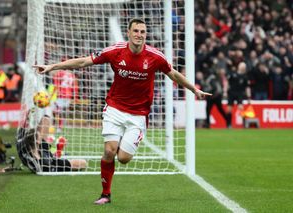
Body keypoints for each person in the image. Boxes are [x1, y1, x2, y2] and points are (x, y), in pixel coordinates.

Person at [33, 18, 212, 205]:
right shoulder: (115, 51)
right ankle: (105, 194)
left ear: (146, 34)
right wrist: (52, 67)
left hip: (138, 114)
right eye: (136, 31)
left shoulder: (155, 56)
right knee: (109, 152)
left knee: (124, 158)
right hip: (115, 109)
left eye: (142, 32)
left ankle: (121, 143)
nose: (139, 35)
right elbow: (83, 62)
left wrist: (194, 90)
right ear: (129, 33)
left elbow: (173, 74)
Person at [16, 113, 87, 173]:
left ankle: (58, 152)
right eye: (39, 136)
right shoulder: (45, 163)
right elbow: (50, 164)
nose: (41, 135)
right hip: (53, 163)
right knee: (83, 163)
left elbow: (22, 133)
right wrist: (56, 151)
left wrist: (27, 118)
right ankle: (59, 152)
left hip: (42, 152)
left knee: (46, 118)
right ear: (37, 141)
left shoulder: (22, 146)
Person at [226, 62, 251, 128]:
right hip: (231, 93)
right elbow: (227, 82)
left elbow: (247, 87)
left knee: (241, 108)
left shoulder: (245, 77)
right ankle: (229, 124)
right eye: (242, 66)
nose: (243, 67)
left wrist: (249, 97)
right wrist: (225, 91)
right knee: (229, 109)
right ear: (239, 66)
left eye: (244, 66)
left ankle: (244, 124)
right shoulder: (233, 74)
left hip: (240, 94)